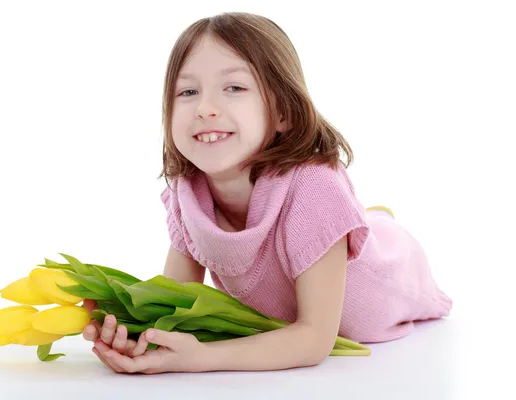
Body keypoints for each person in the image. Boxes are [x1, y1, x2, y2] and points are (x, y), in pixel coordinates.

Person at [82, 11, 452, 374]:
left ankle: (372, 221)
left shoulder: (314, 187)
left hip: (391, 276)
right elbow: (174, 307)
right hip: (311, 253)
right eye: (188, 91)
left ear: (283, 114)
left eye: (235, 88)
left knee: (382, 239)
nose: (205, 108)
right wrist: (130, 329)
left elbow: (313, 339)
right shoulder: (188, 192)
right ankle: (369, 216)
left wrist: (202, 358)